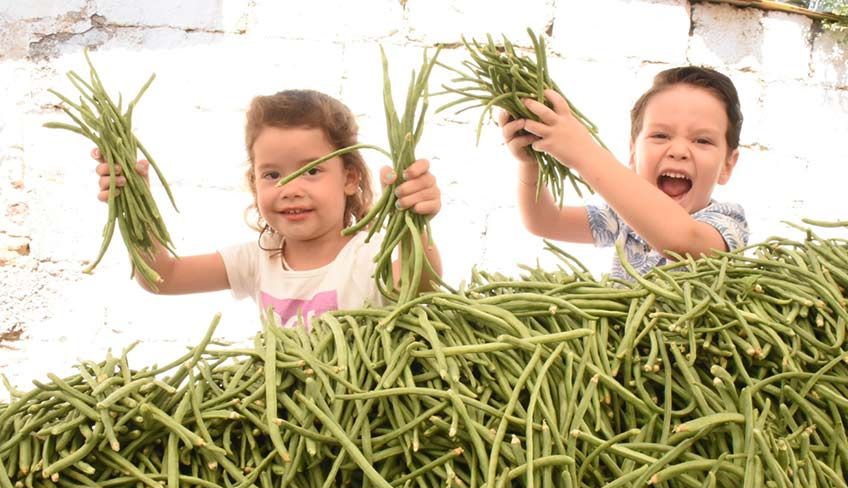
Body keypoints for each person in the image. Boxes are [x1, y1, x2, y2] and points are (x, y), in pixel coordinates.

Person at [93, 89, 443, 327]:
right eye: (272, 174)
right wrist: (133, 204)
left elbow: (420, 287)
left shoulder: (369, 255)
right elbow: (162, 278)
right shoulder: (260, 258)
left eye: (312, 171)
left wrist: (414, 220)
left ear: (349, 178)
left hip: (362, 427)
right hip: (281, 429)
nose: (289, 189)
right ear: (253, 181)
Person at [500, 66, 748, 280]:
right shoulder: (623, 218)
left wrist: (584, 152)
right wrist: (531, 162)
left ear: (727, 165)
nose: (679, 150)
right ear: (633, 152)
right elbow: (545, 221)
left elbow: (683, 239)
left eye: (702, 140)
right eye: (660, 135)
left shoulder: (726, 224)